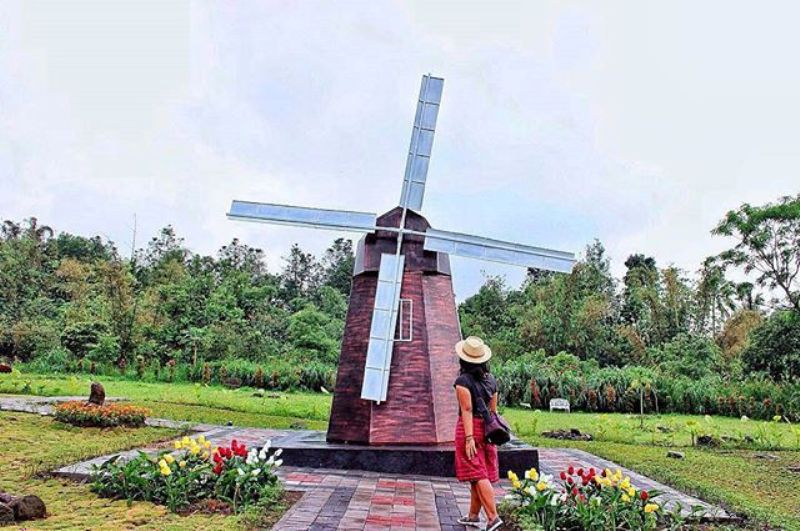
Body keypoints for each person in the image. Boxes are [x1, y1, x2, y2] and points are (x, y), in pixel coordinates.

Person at [454, 336, 503, 531]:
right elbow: (493, 410)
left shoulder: (462, 381)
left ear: (463, 360)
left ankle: (493, 517)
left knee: (478, 472)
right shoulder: (491, 380)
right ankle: (473, 515)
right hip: (488, 428)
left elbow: (466, 409)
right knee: (478, 473)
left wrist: (468, 438)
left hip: (470, 428)